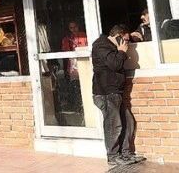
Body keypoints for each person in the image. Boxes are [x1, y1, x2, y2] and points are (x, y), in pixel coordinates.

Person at [91, 25, 146, 166]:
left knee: (128, 122)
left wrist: (135, 36)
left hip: (114, 93)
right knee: (113, 125)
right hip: (106, 93)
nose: (127, 43)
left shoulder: (110, 45)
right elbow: (114, 64)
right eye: (125, 40)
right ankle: (113, 156)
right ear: (118, 37)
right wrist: (122, 52)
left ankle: (126, 153)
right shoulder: (101, 45)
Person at [61, 20, 87, 113]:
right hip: (72, 66)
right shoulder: (66, 39)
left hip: (84, 64)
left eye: (75, 27)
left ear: (78, 26)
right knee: (74, 87)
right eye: (71, 28)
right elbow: (64, 52)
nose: (74, 29)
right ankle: (77, 107)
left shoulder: (84, 35)